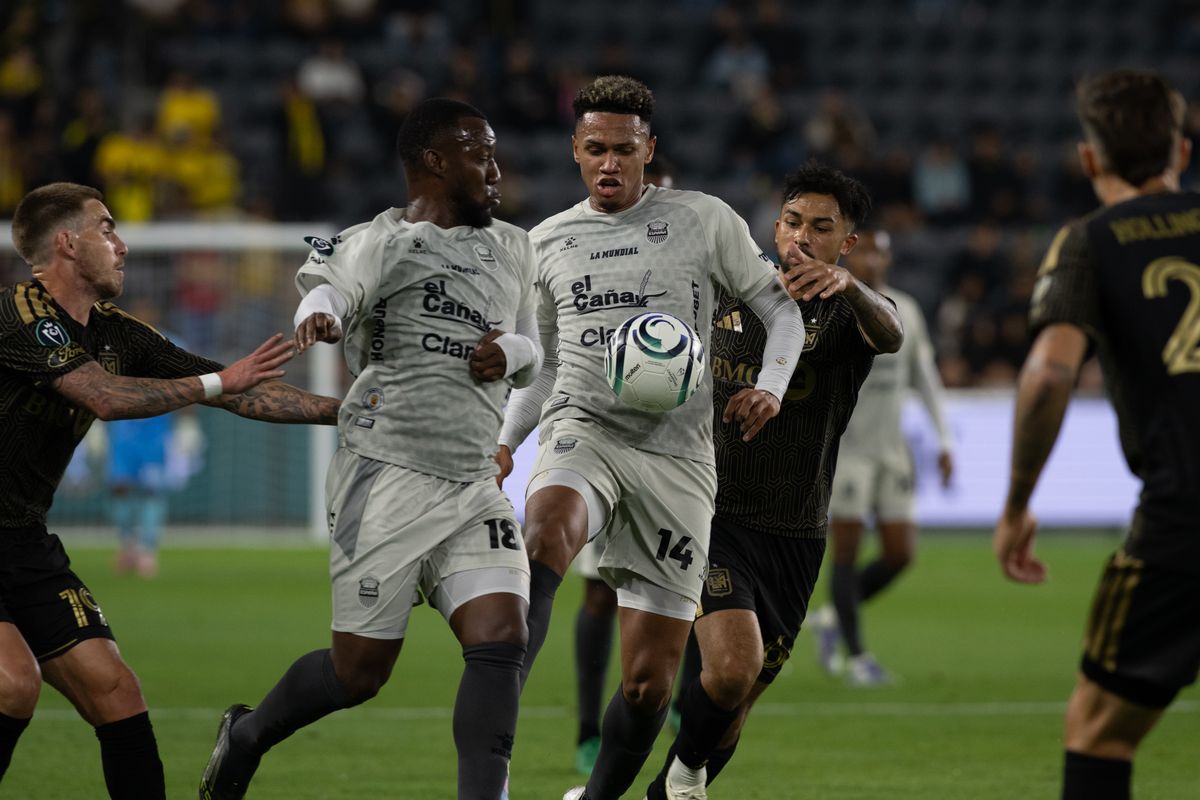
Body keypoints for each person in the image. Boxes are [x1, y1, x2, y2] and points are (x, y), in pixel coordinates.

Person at [199, 98, 543, 800]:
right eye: (480, 153)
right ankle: (246, 734)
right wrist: (318, 316)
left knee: (503, 637)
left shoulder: (515, 245)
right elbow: (330, 286)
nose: (495, 169)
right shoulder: (377, 241)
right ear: (435, 161)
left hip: (473, 482)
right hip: (385, 478)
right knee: (358, 674)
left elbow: (537, 350)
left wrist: (511, 350)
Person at [495, 75, 806, 800]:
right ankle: (498, 699)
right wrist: (509, 443)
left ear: (649, 151)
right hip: (586, 431)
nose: (610, 164)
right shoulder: (548, 243)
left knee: (646, 684)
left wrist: (771, 386)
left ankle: (598, 796)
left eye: (624, 151)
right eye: (596, 149)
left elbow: (780, 310)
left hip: (678, 458)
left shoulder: (703, 221)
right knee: (545, 531)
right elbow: (540, 371)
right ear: (575, 150)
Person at [0, 181, 339, 799]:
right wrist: (217, 383)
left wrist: (350, 413)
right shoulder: (17, 315)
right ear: (67, 244)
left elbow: (235, 389)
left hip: (21, 540)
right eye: (106, 229)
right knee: (12, 683)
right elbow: (102, 397)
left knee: (116, 690)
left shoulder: (114, 333)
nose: (123, 245)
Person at [646, 161, 904, 799]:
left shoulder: (850, 313)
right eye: (793, 222)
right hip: (712, 512)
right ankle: (666, 781)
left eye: (822, 228)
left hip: (796, 532)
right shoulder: (733, 288)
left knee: (733, 706)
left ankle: (666, 791)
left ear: (846, 244)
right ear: (775, 224)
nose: (802, 238)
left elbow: (891, 333)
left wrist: (849, 288)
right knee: (732, 669)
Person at [993, 69, 1200, 800]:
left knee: (1098, 731)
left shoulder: (1089, 242)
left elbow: (1048, 377)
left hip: (1185, 522)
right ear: (1181, 145)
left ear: (1090, 159)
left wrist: (1017, 503)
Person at [568, 153, 678, 776]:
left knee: (688, 590)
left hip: (678, 451)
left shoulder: (694, 250)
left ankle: (674, 698)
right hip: (602, 439)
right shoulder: (588, 245)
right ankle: (588, 726)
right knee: (597, 594)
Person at [810, 228, 955, 685]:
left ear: (888, 259)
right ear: (853, 255)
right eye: (867, 251)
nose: (874, 260)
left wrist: (945, 440)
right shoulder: (833, 307)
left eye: (881, 253)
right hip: (848, 451)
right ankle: (857, 658)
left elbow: (925, 377)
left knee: (900, 553)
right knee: (847, 554)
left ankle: (831, 618)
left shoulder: (906, 309)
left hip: (892, 452)